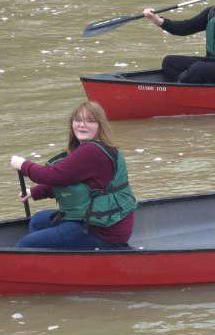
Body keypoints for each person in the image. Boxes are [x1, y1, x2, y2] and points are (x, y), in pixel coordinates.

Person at [10, 101, 138, 249]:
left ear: (100, 126)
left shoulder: (92, 151)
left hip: (103, 232)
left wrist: (23, 165)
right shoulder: (86, 149)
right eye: (78, 120)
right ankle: (53, 256)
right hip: (91, 220)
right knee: (38, 221)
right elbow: (69, 181)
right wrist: (34, 192)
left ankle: (49, 258)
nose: (82, 125)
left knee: (25, 245)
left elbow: (54, 176)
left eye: (90, 121)